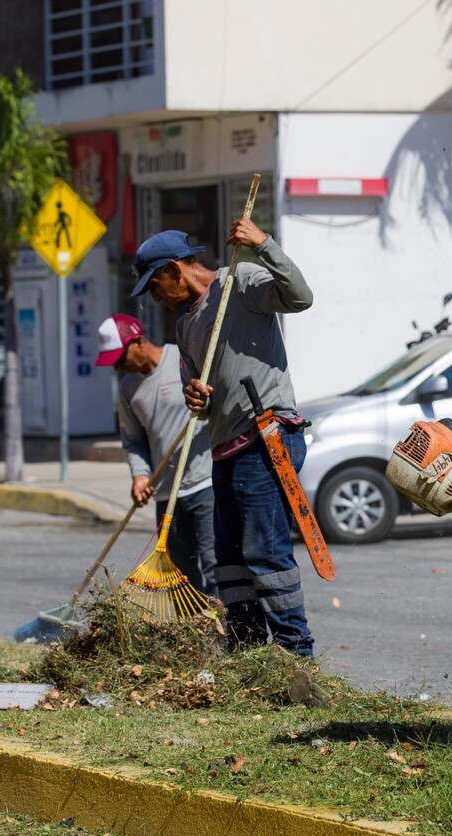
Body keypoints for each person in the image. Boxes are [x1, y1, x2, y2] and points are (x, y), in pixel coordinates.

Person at [130, 219, 316, 656]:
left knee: (264, 551)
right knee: (230, 560)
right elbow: (200, 397)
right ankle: (247, 653)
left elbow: (301, 298)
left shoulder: (241, 280)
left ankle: (294, 653)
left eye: (155, 286)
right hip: (225, 447)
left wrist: (263, 245)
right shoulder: (184, 327)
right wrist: (197, 396)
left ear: (175, 270)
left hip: (265, 435)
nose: (156, 298)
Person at [95, 313, 216, 595]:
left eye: (119, 359)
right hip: (166, 494)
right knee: (181, 574)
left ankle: (225, 628)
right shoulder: (128, 390)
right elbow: (134, 441)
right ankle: (194, 632)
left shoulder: (183, 358)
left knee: (214, 563)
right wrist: (139, 475)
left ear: (137, 342)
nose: (117, 368)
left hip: (205, 482)